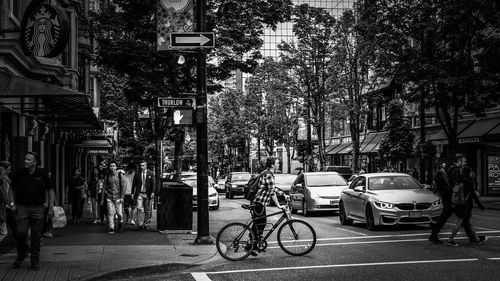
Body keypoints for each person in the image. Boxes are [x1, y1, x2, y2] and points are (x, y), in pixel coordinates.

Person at [428, 153, 487, 245]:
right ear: (459, 161)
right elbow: (456, 185)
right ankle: (439, 237)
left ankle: (473, 238)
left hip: (451, 198)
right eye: (464, 161)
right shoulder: (455, 170)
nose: (465, 163)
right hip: (452, 199)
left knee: (461, 217)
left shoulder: (452, 168)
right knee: (459, 217)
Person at [11, 152, 55, 271]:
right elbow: (11, 188)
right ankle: (21, 255)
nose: (25, 161)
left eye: (29, 159)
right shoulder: (19, 173)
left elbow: (51, 191)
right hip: (22, 208)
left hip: (38, 208)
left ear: (35, 162)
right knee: (21, 233)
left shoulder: (43, 174)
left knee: (36, 235)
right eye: (25, 159)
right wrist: (12, 204)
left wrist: (50, 208)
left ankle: (34, 261)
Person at [248, 156, 289, 256]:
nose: (278, 164)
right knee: (261, 223)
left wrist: (283, 194)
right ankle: (251, 244)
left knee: (259, 223)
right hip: (258, 203)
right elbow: (271, 192)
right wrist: (279, 205)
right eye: (277, 163)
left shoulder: (267, 173)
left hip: (258, 202)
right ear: (272, 165)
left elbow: (273, 188)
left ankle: (253, 244)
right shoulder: (269, 175)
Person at [446, 166, 486, 246]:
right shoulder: (469, 181)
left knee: (469, 223)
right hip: (465, 206)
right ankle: (450, 239)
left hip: (459, 204)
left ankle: (476, 239)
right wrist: (481, 206)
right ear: (469, 172)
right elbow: (473, 196)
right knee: (459, 222)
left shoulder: (459, 180)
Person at [132, 160, 156, 230]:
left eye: (143, 165)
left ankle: (146, 224)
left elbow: (153, 184)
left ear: (146, 166)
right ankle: (140, 223)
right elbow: (134, 184)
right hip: (139, 193)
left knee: (147, 210)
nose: (141, 167)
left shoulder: (150, 173)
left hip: (147, 194)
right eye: (140, 165)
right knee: (139, 208)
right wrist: (132, 193)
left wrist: (153, 192)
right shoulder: (137, 173)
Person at [102, 160, 125, 234]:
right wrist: (102, 199)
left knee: (119, 213)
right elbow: (104, 188)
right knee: (110, 213)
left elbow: (123, 187)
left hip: (118, 197)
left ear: (116, 167)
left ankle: (120, 221)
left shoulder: (119, 175)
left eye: (113, 166)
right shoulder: (107, 176)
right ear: (109, 167)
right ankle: (111, 227)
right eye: (111, 166)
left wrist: (122, 197)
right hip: (109, 197)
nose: (112, 167)